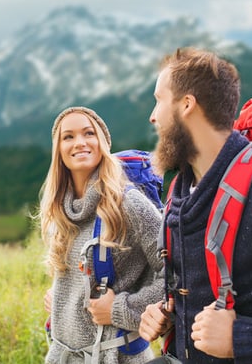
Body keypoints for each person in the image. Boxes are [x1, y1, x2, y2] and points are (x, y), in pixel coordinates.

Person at [139, 47, 252, 363]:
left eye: (158, 100)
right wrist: (168, 315)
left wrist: (244, 338)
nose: (153, 116)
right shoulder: (180, 194)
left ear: (186, 104)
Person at [39, 106, 164, 363]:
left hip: (117, 357)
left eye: (88, 133)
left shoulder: (129, 205)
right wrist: (62, 298)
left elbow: (179, 273)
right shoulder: (60, 211)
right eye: (68, 136)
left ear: (103, 143)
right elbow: (77, 277)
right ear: (58, 150)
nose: (80, 143)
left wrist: (120, 309)